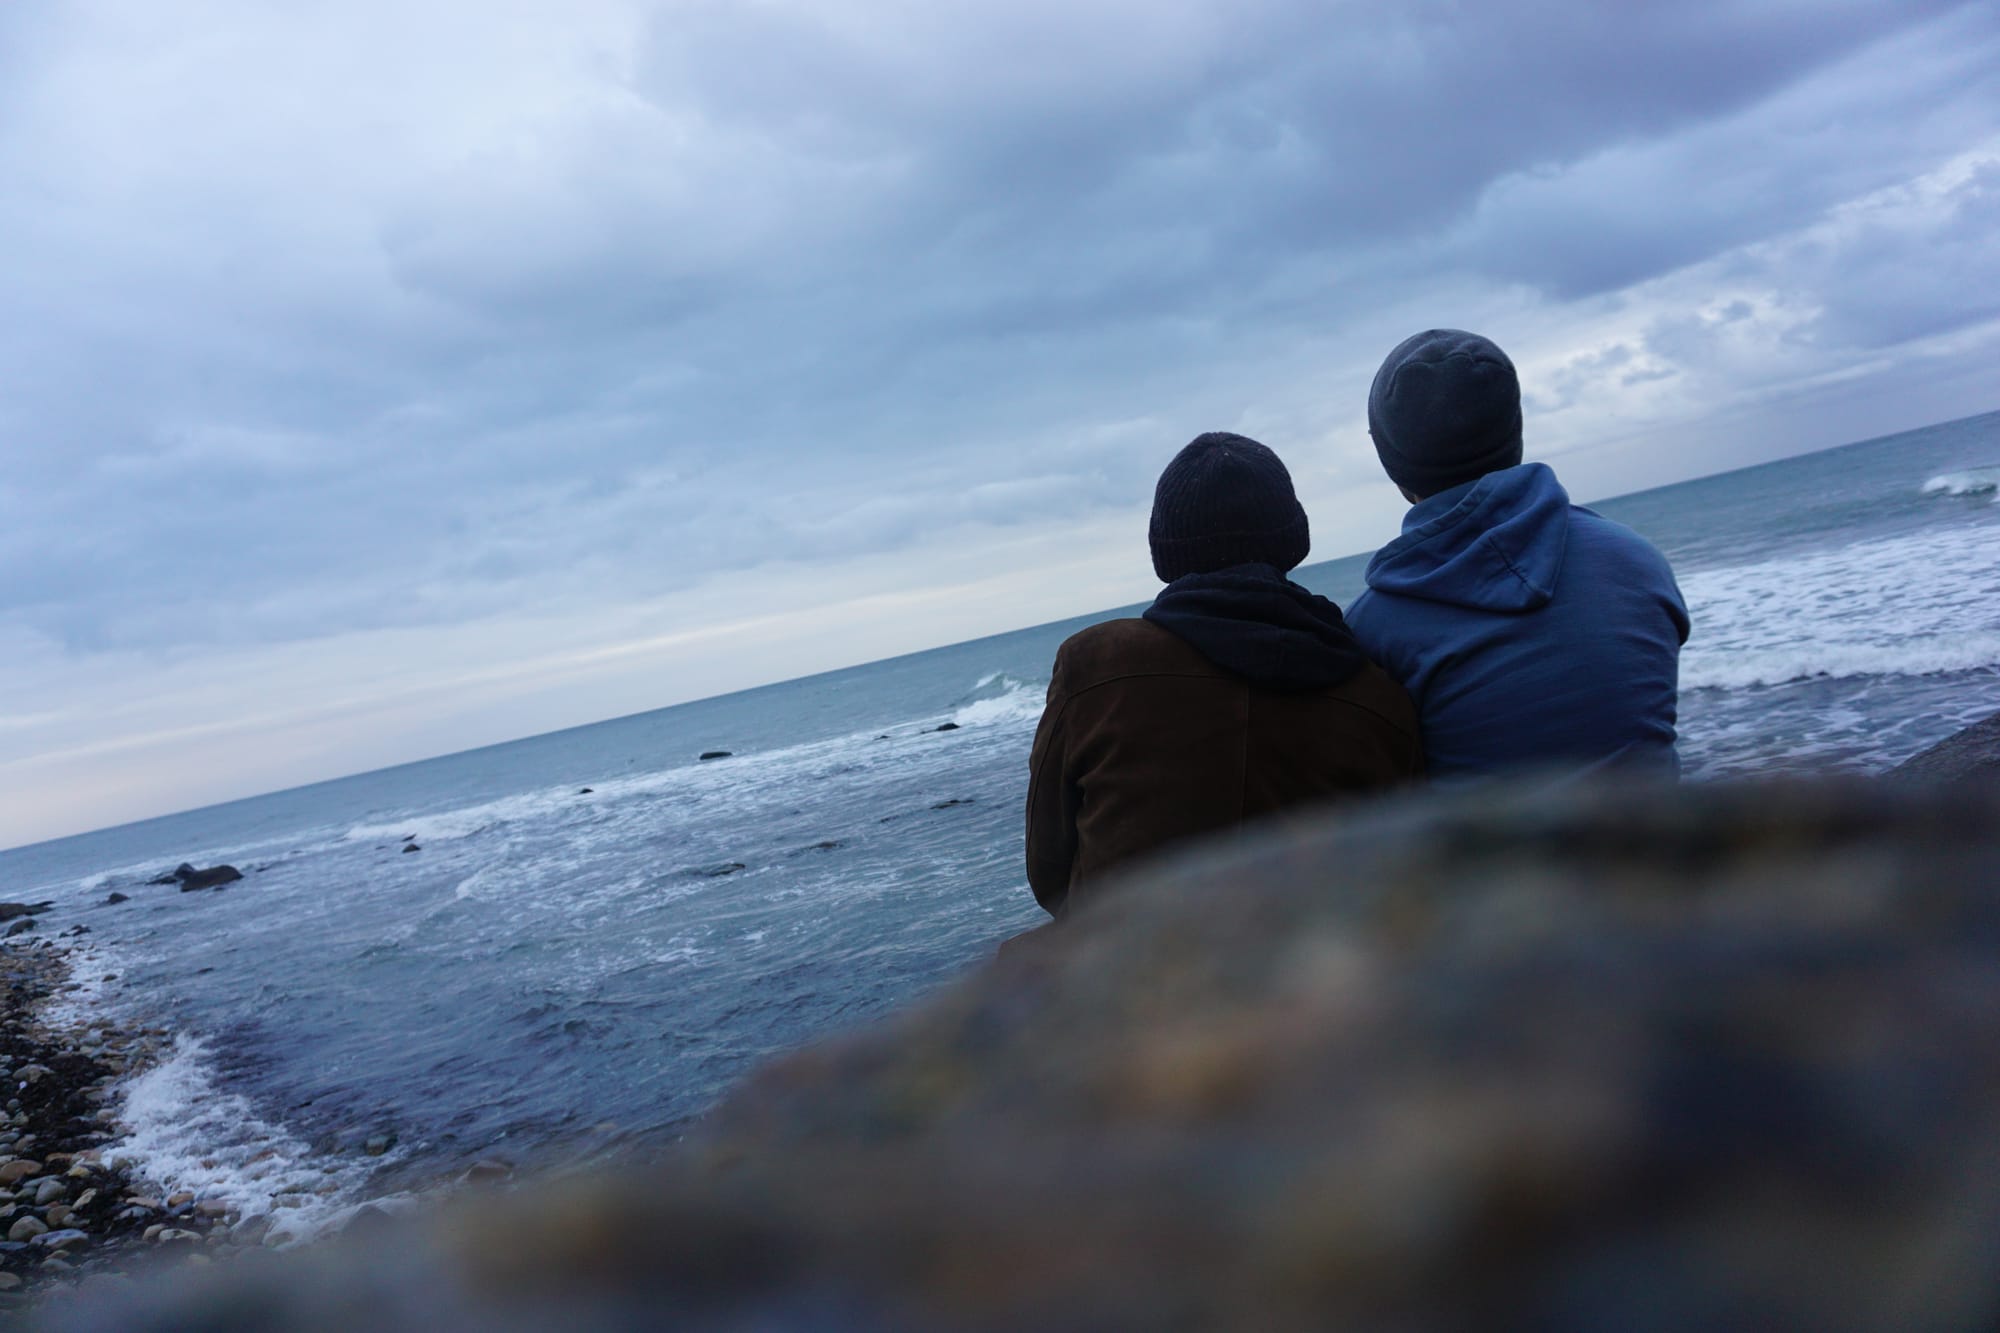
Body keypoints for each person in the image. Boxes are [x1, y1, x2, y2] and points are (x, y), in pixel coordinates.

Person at [1024, 432, 1422, 920]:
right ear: (1293, 538)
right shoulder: (1378, 699)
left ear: (1165, 550)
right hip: (1321, 984)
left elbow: (1048, 873)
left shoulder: (1097, 666)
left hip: (1122, 976)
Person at [1344, 329, 1690, 779]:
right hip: (1669, 846)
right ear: (1516, 430)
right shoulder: (1637, 562)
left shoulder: (1373, 630)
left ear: (1392, 464)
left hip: (1493, 851)